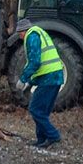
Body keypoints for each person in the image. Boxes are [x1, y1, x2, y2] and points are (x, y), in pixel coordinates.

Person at [15, 18, 64, 148]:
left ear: (23, 31)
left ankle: (53, 136)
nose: (19, 36)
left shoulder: (32, 36)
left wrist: (23, 79)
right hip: (53, 77)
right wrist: (31, 82)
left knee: (35, 109)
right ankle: (41, 139)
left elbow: (35, 62)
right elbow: (43, 64)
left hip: (49, 79)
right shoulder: (39, 33)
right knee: (42, 111)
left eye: (19, 33)